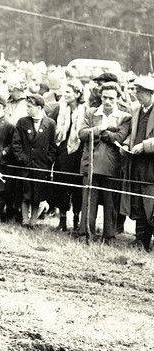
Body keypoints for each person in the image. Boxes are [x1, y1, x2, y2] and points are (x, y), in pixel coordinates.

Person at [76, 82, 130, 242]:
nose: (107, 101)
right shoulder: (91, 112)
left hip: (111, 165)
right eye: (105, 97)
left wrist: (103, 133)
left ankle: (109, 236)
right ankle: (85, 234)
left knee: (110, 204)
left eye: (111, 98)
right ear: (100, 96)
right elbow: (82, 134)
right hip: (90, 164)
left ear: (118, 99)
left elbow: (119, 137)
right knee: (88, 203)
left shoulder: (124, 116)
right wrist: (101, 129)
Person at [46, 79, 86, 231]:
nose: (65, 94)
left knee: (77, 187)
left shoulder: (85, 111)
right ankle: (62, 220)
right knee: (61, 185)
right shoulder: (59, 109)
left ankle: (76, 219)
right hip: (62, 151)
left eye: (68, 92)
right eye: (64, 91)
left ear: (77, 93)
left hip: (78, 152)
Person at [12, 92, 57, 229]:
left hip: (41, 166)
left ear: (39, 107)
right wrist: (23, 159)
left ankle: (33, 221)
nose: (27, 109)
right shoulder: (22, 122)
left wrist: (48, 160)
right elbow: (16, 143)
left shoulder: (50, 124)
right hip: (26, 165)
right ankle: (25, 220)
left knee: (37, 194)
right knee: (25, 193)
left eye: (30, 106)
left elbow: (52, 145)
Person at [120, 75, 154, 251]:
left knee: (151, 205)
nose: (136, 94)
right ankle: (141, 239)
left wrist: (145, 146)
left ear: (150, 93)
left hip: (151, 167)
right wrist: (126, 144)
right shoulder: (135, 110)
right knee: (138, 203)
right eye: (136, 91)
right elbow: (131, 133)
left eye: (140, 91)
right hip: (136, 165)